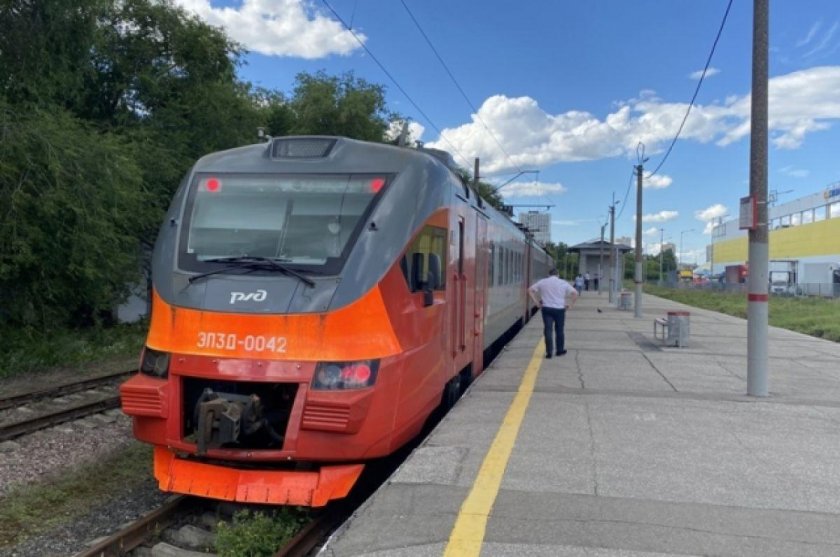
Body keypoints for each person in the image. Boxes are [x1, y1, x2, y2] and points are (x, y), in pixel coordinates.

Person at [529, 268, 578, 358]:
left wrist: (536, 302)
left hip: (546, 309)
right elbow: (575, 293)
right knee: (559, 330)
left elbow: (530, 290)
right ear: (558, 275)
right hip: (559, 310)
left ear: (549, 274)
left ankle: (549, 353)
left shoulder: (543, 282)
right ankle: (559, 351)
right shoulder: (563, 282)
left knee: (548, 330)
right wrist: (570, 305)